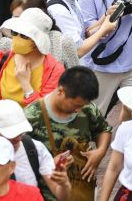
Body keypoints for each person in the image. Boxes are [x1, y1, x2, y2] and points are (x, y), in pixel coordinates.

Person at [23, 66, 112, 200]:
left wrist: (101, 151)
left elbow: (103, 129)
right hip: (47, 194)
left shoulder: (87, 108)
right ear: (60, 91)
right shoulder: (32, 116)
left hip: (81, 191)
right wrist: (48, 164)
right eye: (76, 105)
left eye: (82, 106)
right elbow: (21, 159)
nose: (78, 110)